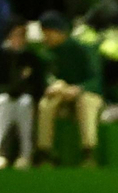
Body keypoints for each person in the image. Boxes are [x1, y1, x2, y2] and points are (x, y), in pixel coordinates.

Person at [37, 9, 105, 166]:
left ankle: (89, 152)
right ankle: (44, 152)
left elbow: (96, 80)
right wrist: (53, 86)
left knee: (85, 102)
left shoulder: (84, 49)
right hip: (62, 95)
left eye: (48, 32)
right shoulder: (46, 53)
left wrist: (79, 89)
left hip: (87, 93)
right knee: (46, 104)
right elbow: (46, 78)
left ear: (59, 32)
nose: (46, 37)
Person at [0, 18, 43, 169]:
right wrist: (7, 91)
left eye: (22, 35)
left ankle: (25, 154)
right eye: (15, 35)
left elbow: (37, 85)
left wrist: (21, 91)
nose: (19, 39)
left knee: (24, 103)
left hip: (23, 100)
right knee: (5, 103)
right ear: (8, 36)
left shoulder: (31, 58)